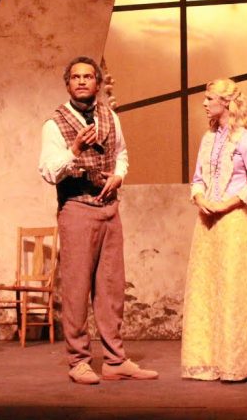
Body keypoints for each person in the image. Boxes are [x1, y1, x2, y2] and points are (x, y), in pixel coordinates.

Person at [38, 56, 158, 385]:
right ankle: (78, 360)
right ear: (67, 84)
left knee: (111, 288)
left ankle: (115, 360)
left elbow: (121, 153)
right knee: (77, 289)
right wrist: (74, 148)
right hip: (76, 208)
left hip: (109, 209)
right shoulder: (54, 124)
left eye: (87, 76)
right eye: (75, 77)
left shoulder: (110, 117)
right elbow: (48, 171)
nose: (81, 81)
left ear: (97, 82)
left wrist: (119, 176)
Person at [181, 78, 247, 382]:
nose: (204, 103)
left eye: (209, 98)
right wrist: (201, 198)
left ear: (225, 103)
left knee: (235, 289)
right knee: (209, 289)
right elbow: (198, 178)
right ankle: (210, 359)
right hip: (208, 223)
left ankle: (238, 361)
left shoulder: (245, 139)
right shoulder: (207, 139)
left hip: (236, 222)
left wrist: (226, 204)